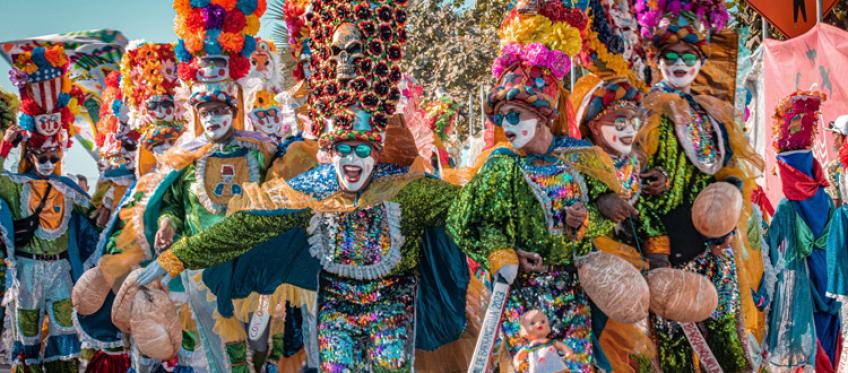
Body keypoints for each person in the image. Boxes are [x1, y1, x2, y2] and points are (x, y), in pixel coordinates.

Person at [136, 1, 478, 371]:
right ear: (329, 152)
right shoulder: (315, 186)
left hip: (391, 315)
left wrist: (500, 254)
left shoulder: (406, 189)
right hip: (333, 315)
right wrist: (173, 260)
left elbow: (470, 211)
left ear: (377, 150)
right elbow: (248, 223)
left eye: (361, 149)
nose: (350, 161)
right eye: (341, 149)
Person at [446, 1, 633, 371]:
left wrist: (594, 216)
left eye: (515, 115)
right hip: (523, 298)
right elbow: (460, 220)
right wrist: (504, 253)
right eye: (502, 117)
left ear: (544, 114)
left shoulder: (580, 157)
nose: (507, 124)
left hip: (572, 293)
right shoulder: (502, 166)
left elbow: (595, 225)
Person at [634, 0, 766, 369]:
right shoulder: (646, 111)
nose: (679, 64)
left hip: (715, 251)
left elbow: (725, 170)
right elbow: (634, 187)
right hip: (669, 252)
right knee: (675, 350)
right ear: (656, 59)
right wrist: (656, 247)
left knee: (728, 342)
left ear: (701, 61)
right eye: (670, 55)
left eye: (688, 56)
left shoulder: (712, 114)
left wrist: (731, 198)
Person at [1, 44, 99, 372]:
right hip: (27, 271)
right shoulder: (17, 185)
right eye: (42, 156)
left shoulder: (68, 189)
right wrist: (5, 146)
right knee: (26, 337)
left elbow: (96, 215)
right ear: (31, 153)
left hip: (60, 270)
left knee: (64, 336)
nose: (48, 163)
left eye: (54, 157)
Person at [765, 90, 846, 372]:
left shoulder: (789, 205)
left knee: (808, 348)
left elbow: (769, 244)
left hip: (804, 289)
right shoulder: (823, 197)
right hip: (830, 282)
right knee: (827, 337)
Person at [825, 115, 848, 206]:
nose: (833, 137)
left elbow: (834, 204)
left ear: (839, 135)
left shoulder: (833, 168)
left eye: (834, 133)